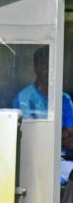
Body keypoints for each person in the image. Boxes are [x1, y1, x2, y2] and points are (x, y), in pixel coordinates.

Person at [13, 46, 73, 186]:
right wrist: (61, 135)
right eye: (44, 66)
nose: (48, 70)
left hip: (63, 157)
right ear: (36, 68)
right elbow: (33, 136)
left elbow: (71, 130)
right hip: (36, 160)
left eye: (51, 66)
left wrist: (56, 135)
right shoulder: (24, 98)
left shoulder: (64, 98)